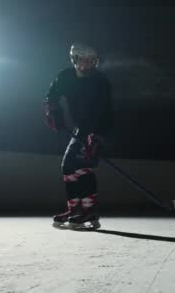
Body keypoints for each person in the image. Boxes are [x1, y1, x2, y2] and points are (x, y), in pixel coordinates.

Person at [44, 43, 114, 229]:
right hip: (81, 128)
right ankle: (75, 209)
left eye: (92, 61)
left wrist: (98, 136)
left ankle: (89, 211)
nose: (88, 64)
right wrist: (53, 110)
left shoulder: (99, 81)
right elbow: (52, 95)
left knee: (83, 167)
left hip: (96, 128)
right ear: (74, 60)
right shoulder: (66, 76)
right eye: (84, 60)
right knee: (68, 166)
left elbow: (107, 112)